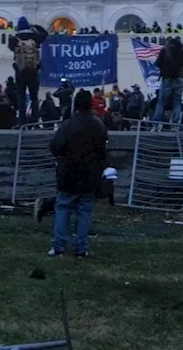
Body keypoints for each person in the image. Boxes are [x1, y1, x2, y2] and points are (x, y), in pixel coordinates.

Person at [48, 89, 108, 259]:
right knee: (84, 212)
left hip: (68, 175)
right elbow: (103, 152)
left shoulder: (67, 125)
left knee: (63, 209)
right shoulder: (99, 125)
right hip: (90, 176)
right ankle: (81, 248)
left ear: (75, 105)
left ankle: (59, 246)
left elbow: (55, 147)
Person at [9, 19, 46, 125]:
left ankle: (22, 122)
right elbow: (45, 34)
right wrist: (35, 26)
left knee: (21, 98)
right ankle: (34, 122)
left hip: (20, 72)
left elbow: (11, 48)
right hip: (34, 71)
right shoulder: (35, 37)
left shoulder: (14, 39)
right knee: (34, 98)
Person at [152, 38, 183, 124]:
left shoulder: (165, 50)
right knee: (177, 101)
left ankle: (157, 121)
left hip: (167, 78)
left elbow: (157, 63)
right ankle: (176, 122)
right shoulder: (182, 51)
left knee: (161, 101)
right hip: (180, 78)